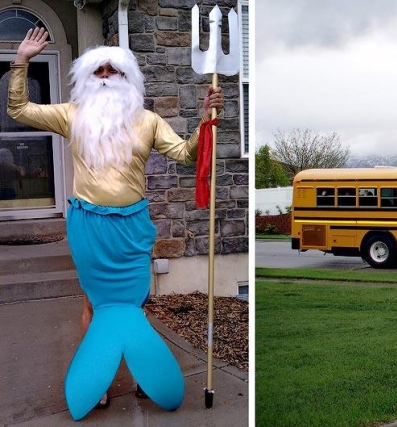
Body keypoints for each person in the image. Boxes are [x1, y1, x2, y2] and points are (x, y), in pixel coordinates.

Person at [8, 27, 224, 420]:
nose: (106, 75)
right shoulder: (71, 115)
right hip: (89, 225)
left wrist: (204, 124)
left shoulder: (148, 121)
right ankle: (101, 381)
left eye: (114, 70)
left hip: (132, 226)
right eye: (99, 70)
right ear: (89, 78)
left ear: (128, 79)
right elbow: (19, 110)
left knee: (137, 301)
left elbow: (186, 155)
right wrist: (22, 61)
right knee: (93, 300)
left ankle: (144, 372)